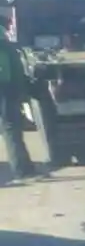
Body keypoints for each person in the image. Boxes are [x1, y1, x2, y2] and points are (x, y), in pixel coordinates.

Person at [0, 31, 33, 182]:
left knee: (11, 129)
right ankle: (22, 171)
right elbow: (17, 71)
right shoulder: (6, 47)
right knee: (12, 130)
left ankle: (25, 168)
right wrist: (22, 93)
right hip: (5, 89)